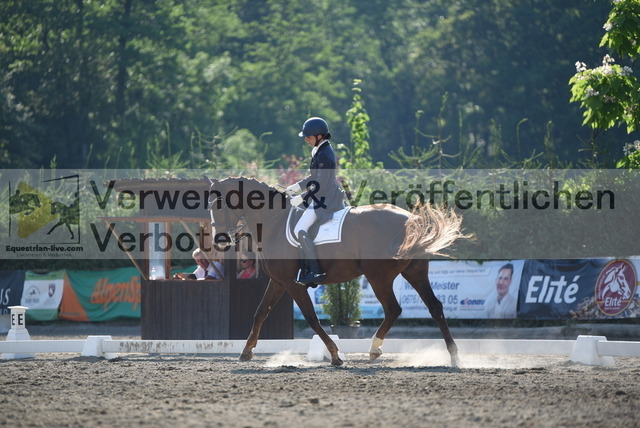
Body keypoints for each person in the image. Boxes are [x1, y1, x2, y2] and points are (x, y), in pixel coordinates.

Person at [285, 117, 347, 286]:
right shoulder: (320, 150)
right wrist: (295, 187)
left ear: (320, 136)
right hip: (321, 195)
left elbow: (322, 184)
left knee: (300, 229)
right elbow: (314, 178)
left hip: (326, 199)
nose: (306, 139)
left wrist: (301, 197)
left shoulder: (325, 154)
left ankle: (315, 271)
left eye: (309, 137)